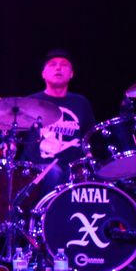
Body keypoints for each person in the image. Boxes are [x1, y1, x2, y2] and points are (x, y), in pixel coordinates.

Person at [22, 49, 96, 190]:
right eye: (52, 64)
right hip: (38, 167)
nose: (58, 68)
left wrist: (90, 155)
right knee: (53, 173)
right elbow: (15, 134)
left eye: (64, 65)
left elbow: (90, 136)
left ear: (71, 74)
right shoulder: (31, 102)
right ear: (43, 74)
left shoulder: (81, 102)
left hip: (73, 167)